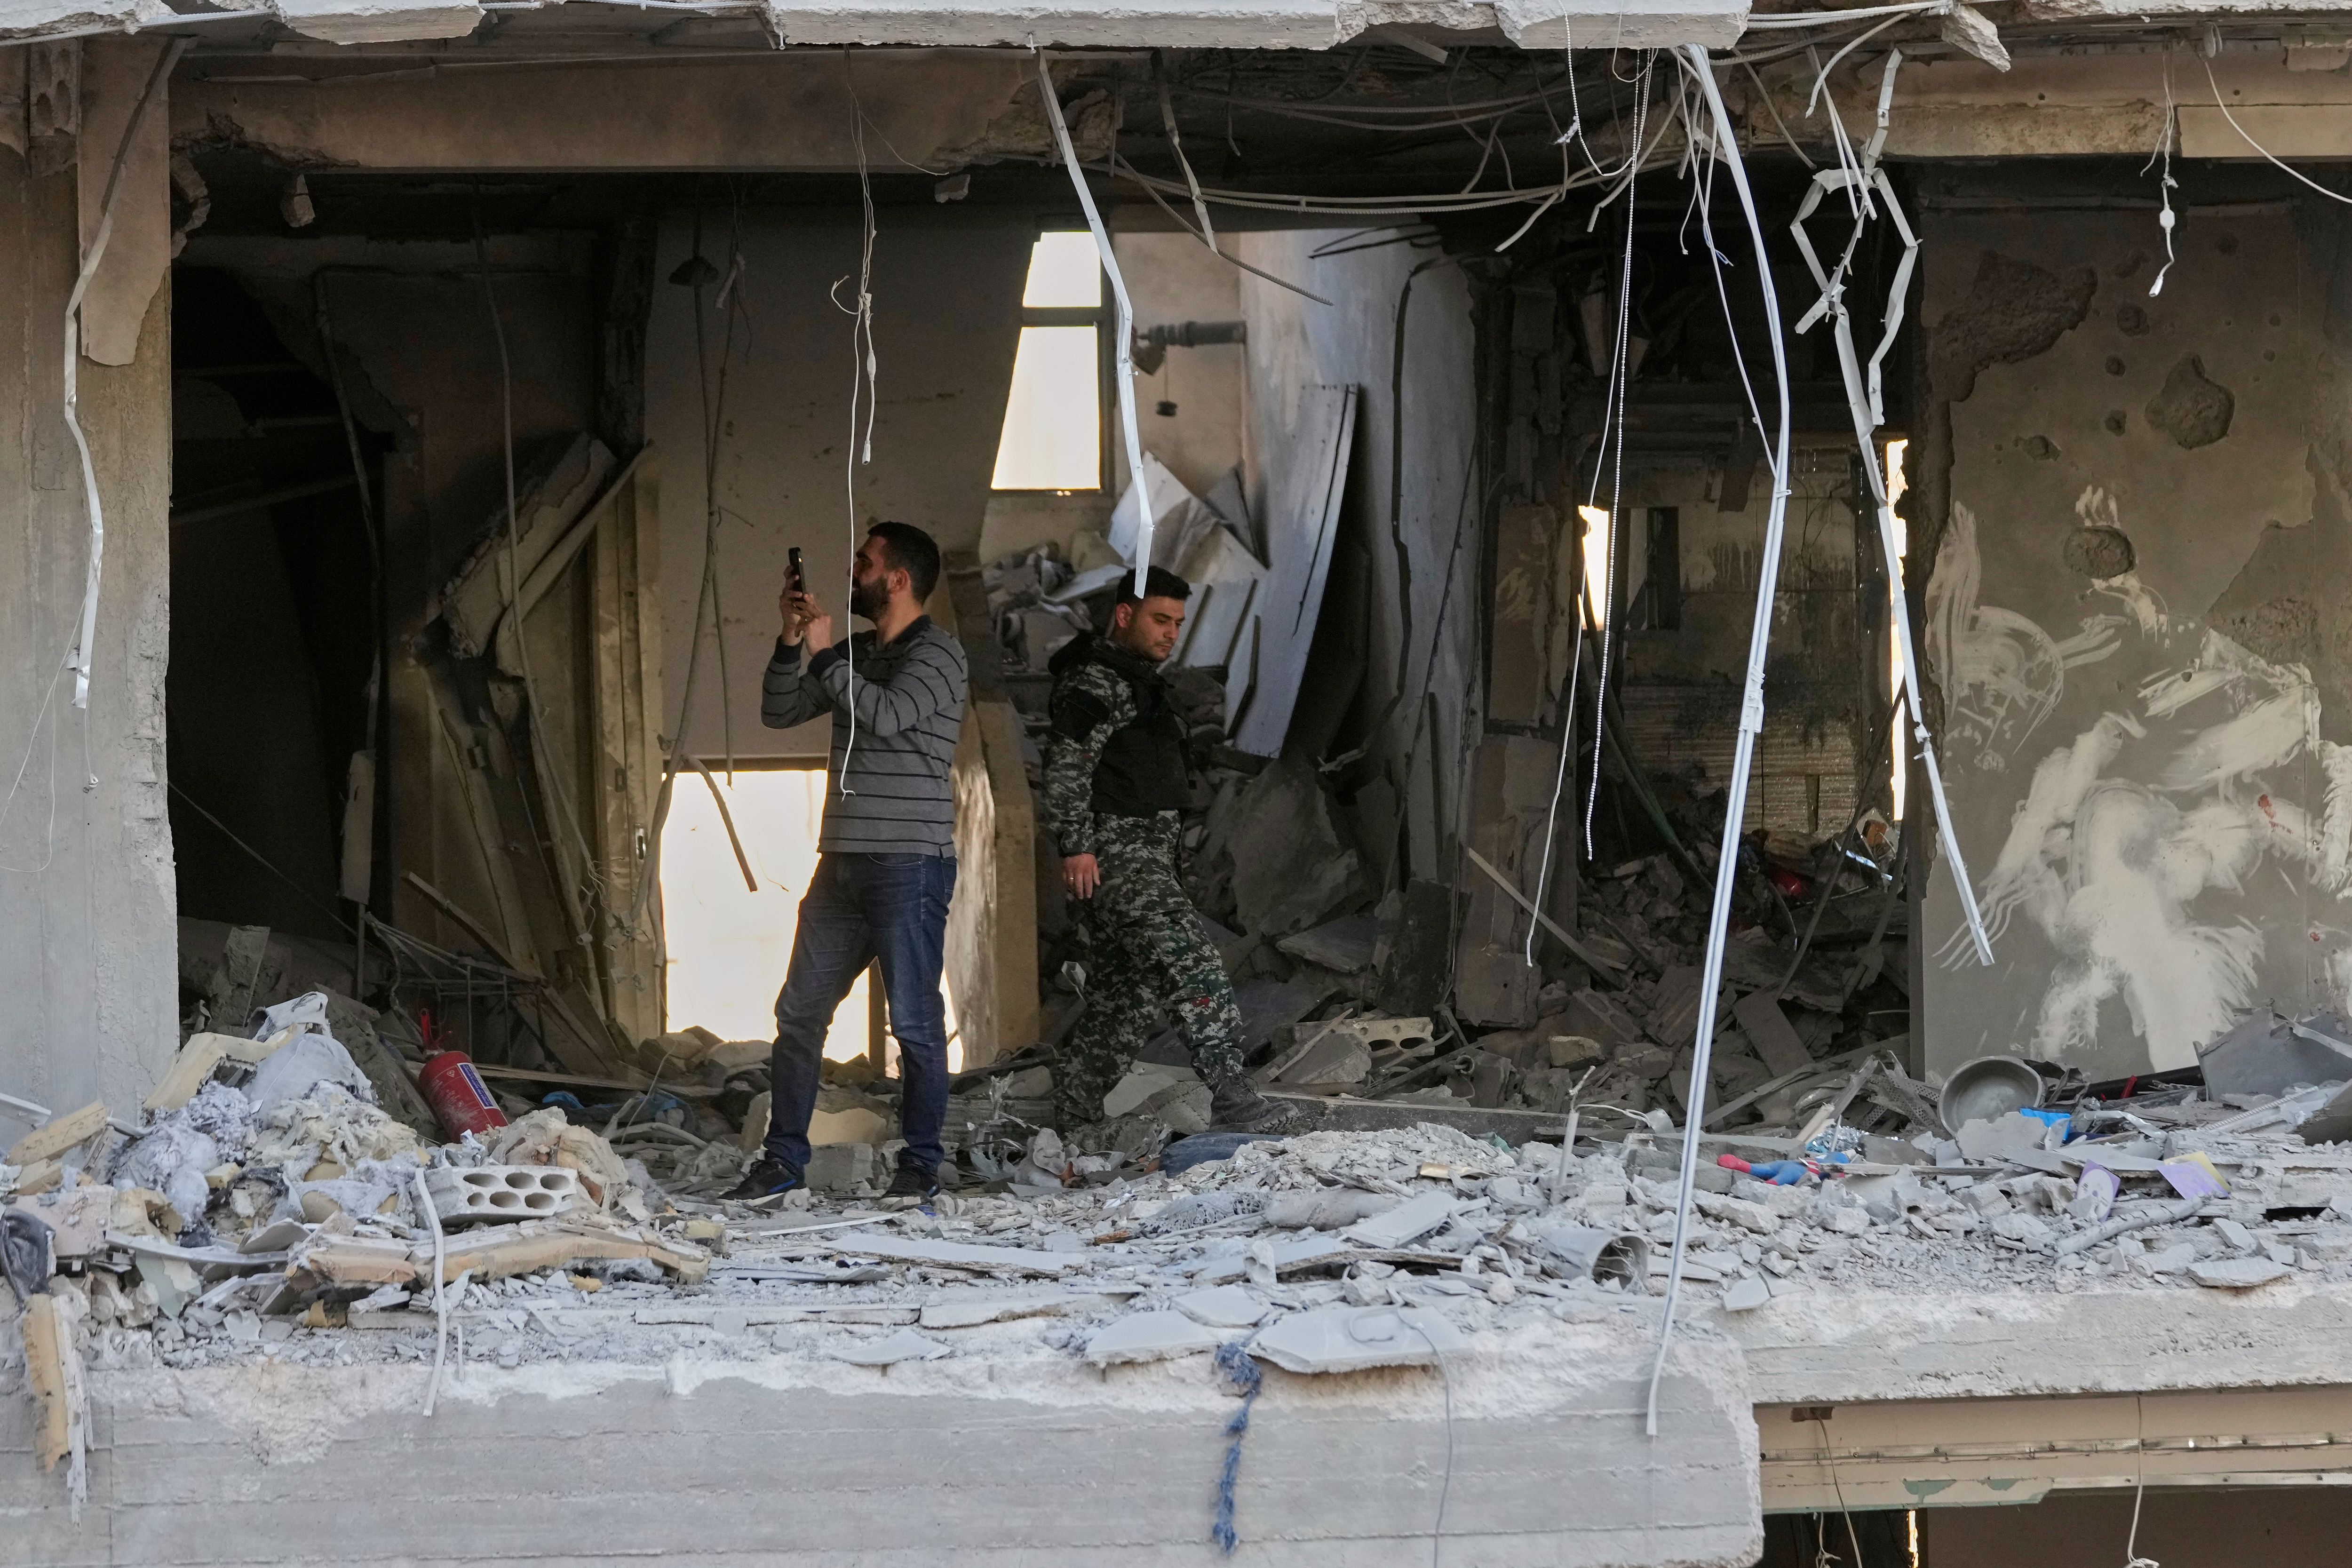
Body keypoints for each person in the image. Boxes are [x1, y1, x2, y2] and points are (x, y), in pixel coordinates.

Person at [723, 522, 969, 1208]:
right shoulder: (853, 653)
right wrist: (792, 641)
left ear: (897, 579)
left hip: (910, 864)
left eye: (865, 563)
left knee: (915, 1024)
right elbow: (779, 712)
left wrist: (827, 653)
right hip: (842, 868)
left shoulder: (941, 656)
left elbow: (888, 716)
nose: (852, 572)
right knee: (800, 1014)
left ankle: (920, 1165)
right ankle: (781, 1163)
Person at [1041, 565, 1297, 1135]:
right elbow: (1065, 767)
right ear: (1124, 615)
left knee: (1123, 1006)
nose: (1170, 634)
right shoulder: (1094, 680)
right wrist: (1076, 846)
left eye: (1178, 623)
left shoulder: (1134, 678)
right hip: (1118, 855)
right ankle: (1233, 1096)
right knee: (1194, 965)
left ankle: (1069, 1121)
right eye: (1160, 620)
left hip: (1143, 856)